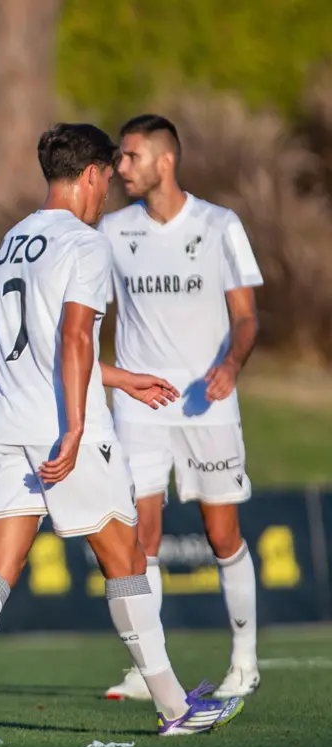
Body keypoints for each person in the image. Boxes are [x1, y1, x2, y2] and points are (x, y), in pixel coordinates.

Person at [0, 123, 245, 744]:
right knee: (125, 560)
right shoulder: (86, 243)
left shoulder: (12, 241)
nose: (107, 194)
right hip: (63, 427)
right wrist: (76, 426)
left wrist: (120, 377)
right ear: (92, 174)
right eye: (106, 180)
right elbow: (74, 337)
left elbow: (42, 349)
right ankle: (174, 707)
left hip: (10, 421)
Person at [100, 115, 263, 701]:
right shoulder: (112, 230)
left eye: (131, 157)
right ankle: (151, 672)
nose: (121, 168)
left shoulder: (220, 225)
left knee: (222, 534)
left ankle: (244, 662)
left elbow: (246, 318)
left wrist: (231, 365)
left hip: (206, 405)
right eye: (119, 158)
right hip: (138, 406)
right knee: (139, 535)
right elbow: (86, 315)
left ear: (165, 161)